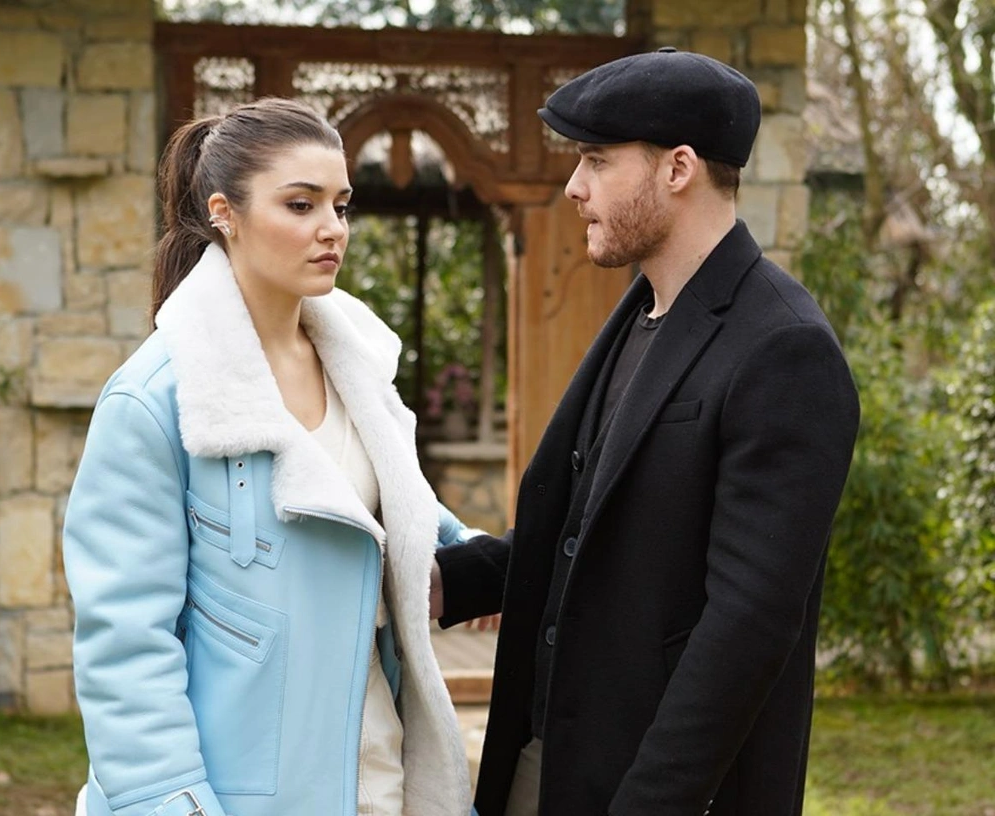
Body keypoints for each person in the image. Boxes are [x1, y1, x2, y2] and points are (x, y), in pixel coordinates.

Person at [429, 48, 861, 816]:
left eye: (597, 160)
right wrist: (436, 582)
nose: (574, 186)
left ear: (678, 168)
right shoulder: (642, 311)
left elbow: (747, 628)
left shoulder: (785, 347)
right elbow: (580, 533)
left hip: (660, 789)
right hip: (548, 760)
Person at [64, 96, 476, 816]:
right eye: (300, 204)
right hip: (237, 797)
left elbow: (388, 504)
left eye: (341, 206)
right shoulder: (154, 400)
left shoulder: (360, 366)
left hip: (385, 775)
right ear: (225, 213)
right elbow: (125, 649)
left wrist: (482, 556)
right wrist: (175, 805)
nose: (332, 229)